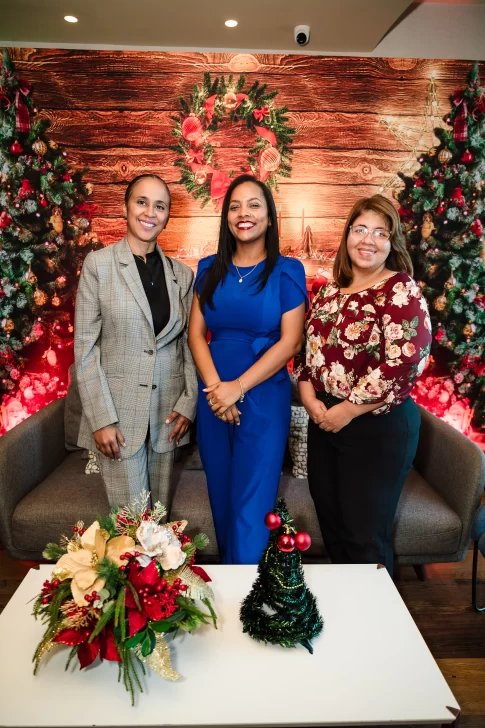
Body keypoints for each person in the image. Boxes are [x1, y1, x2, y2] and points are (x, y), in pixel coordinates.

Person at [294, 194, 432, 575]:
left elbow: (406, 360)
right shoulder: (329, 291)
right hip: (326, 423)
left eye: (380, 232)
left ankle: (377, 628)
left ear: (392, 243)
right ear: (347, 236)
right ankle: (348, 620)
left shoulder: (399, 289)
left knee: (365, 537)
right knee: (334, 528)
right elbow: (308, 353)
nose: (368, 240)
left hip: (377, 428)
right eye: (360, 229)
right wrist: (308, 396)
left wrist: (350, 409)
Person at [188, 174, 308, 564]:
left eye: (254, 205)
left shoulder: (287, 271)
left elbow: (291, 342)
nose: (244, 214)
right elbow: (195, 336)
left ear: (270, 217)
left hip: (261, 394)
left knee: (250, 504)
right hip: (213, 396)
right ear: (226, 218)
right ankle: (229, 591)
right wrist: (216, 391)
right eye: (235, 206)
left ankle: (250, 605)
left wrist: (236, 388)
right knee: (221, 495)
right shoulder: (207, 270)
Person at [74, 174, 197, 508]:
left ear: (168, 215)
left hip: (167, 418)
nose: (150, 212)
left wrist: (188, 402)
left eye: (160, 206)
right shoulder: (99, 265)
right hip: (117, 418)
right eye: (142, 202)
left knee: (158, 523)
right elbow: (84, 349)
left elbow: (189, 343)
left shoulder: (182, 275)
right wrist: (101, 418)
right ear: (126, 208)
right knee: (130, 525)